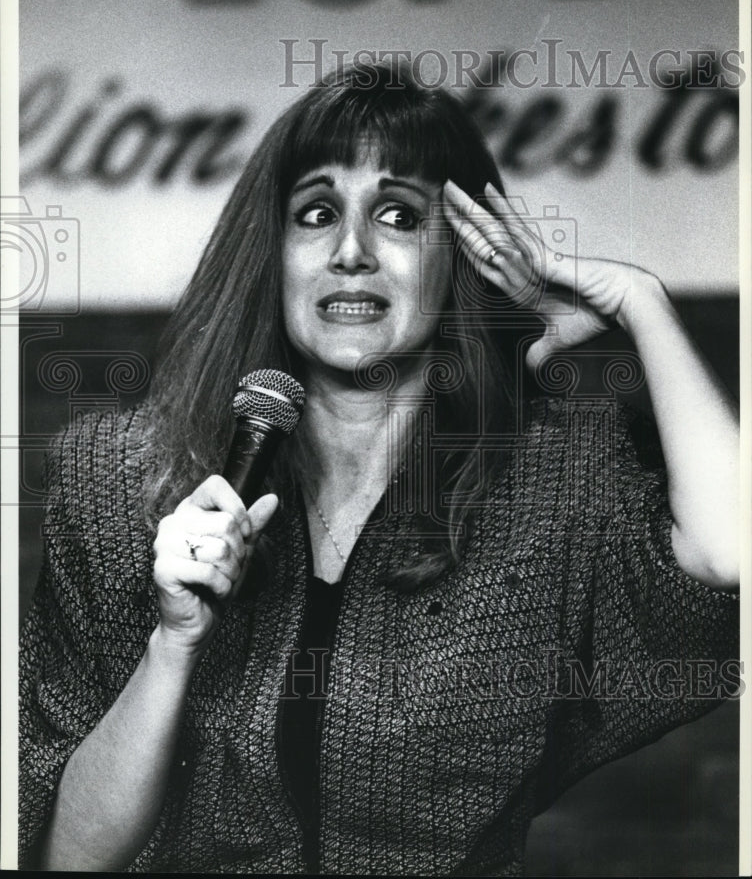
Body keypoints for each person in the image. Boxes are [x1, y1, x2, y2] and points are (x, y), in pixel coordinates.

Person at [19, 62, 739, 875]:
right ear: (273, 252)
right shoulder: (118, 482)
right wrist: (174, 642)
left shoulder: (553, 481)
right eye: (316, 213)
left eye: (398, 216)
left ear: (458, 255)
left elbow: (733, 551)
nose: (352, 251)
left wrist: (640, 300)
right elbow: (63, 858)